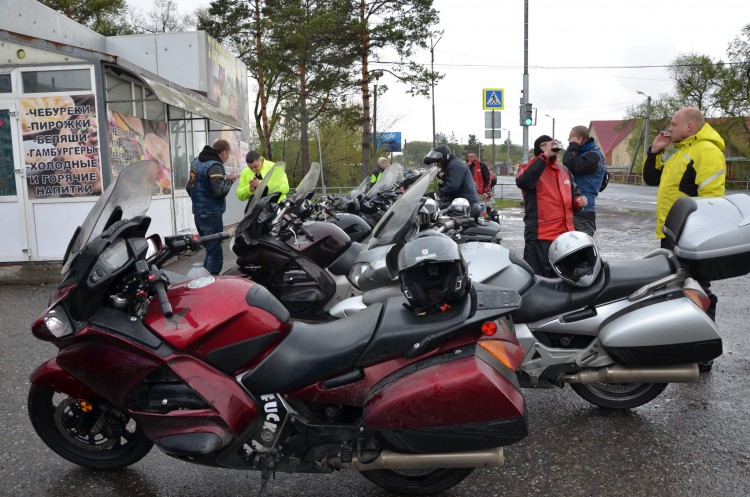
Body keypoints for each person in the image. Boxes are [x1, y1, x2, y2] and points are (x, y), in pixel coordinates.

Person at [643, 107, 725, 372]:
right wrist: (655, 151)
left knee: (699, 290)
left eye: (674, 124)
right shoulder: (682, 152)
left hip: (690, 236)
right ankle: (685, 343)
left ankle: (704, 351)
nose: (670, 128)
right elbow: (652, 178)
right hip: (671, 234)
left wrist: (693, 233)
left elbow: (712, 199)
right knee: (677, 290)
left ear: (690, 126)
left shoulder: (707, 151)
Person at [516, 135, 587, 277]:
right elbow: (523, 182)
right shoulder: (530, 167)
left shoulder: (563, 170)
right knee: (538, 282)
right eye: (547, 144)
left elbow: (574, 193)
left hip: (565, 237)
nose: (553, 146)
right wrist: (545, 156)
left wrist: (578, 201)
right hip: (540, 237)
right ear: (541, 147)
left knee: (563, 280)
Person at [186, 139, 237, 275]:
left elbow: (189, 188)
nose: (228, 157)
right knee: (215, 254)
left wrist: (199, 202)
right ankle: (210, 284)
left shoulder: (196, 163)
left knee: (210, 250)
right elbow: (219, 192)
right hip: (212, 215)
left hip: (198, 214)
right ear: (224, 152)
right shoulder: (215, 165)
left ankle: (204, 279)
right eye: (228, 154)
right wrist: (230, 181)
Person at [563, 125, 607, 236]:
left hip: (583, 208)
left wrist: (573, 146)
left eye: (571, 137)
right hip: (574, 206)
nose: (568, 140)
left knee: (580, 245)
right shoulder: (584, 154)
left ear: (580, 139)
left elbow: (571, 164)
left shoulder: (593, 156)